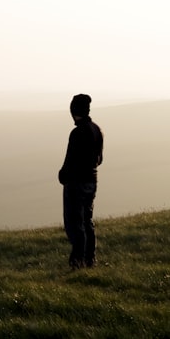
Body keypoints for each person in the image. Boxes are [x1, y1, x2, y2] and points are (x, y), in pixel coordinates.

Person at [58, 94, 104, 269]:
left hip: (75, 183)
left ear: (73, 111)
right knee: (87, 221)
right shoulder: (97, 129)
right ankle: (90, 260)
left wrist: (62, 175)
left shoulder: (77, 133)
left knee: (74, 223)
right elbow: (100, 160)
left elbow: (70, 161)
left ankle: (77, 262)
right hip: (92, 181)